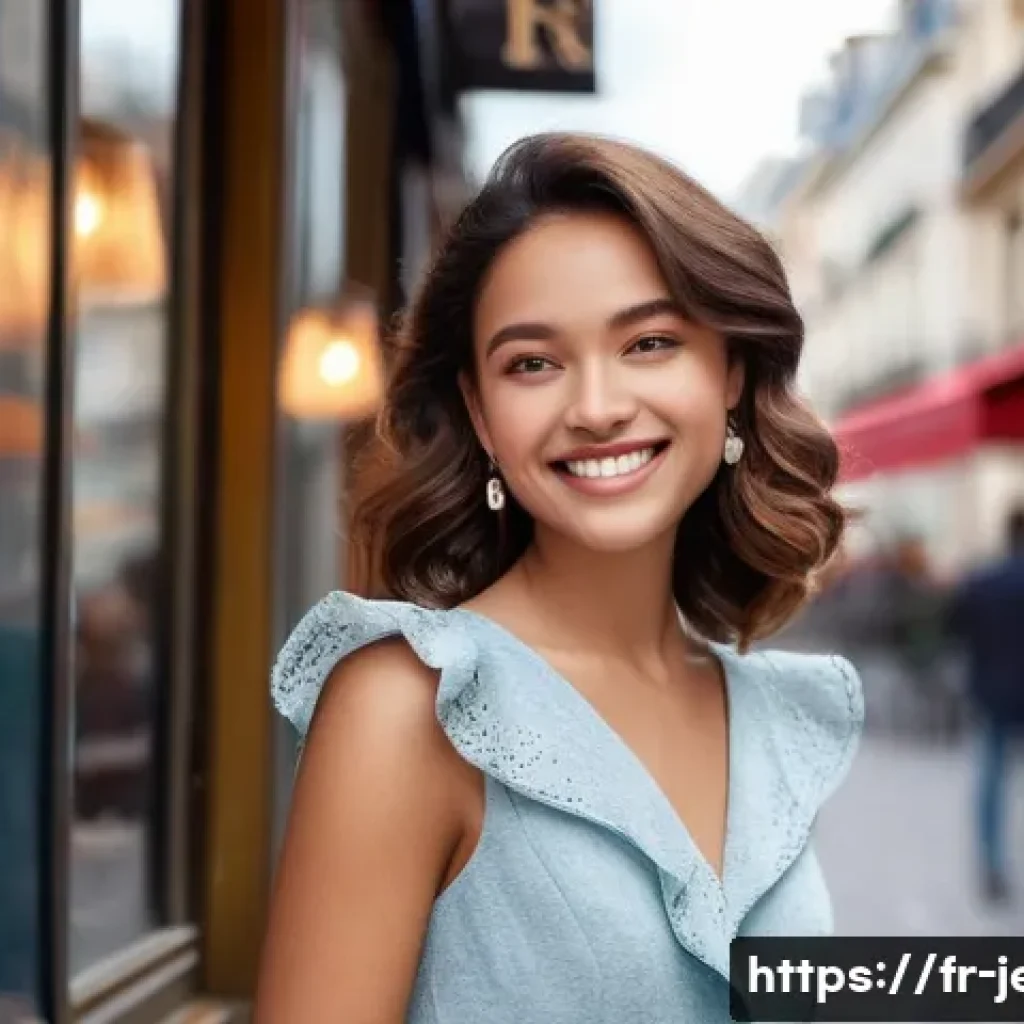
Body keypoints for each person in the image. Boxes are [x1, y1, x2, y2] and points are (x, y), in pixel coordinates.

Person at [256, 133, 864, 1023]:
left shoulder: (772, 720)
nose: (596, 408)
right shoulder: (410, 705)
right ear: (480, 409)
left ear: (729, 369)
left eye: (650, 342)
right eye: (532, 363)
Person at [949, 505, 1024, 903]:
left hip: (992, 692)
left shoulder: (982, 581)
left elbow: (956, 630)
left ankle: (992, 864)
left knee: (992, 784)